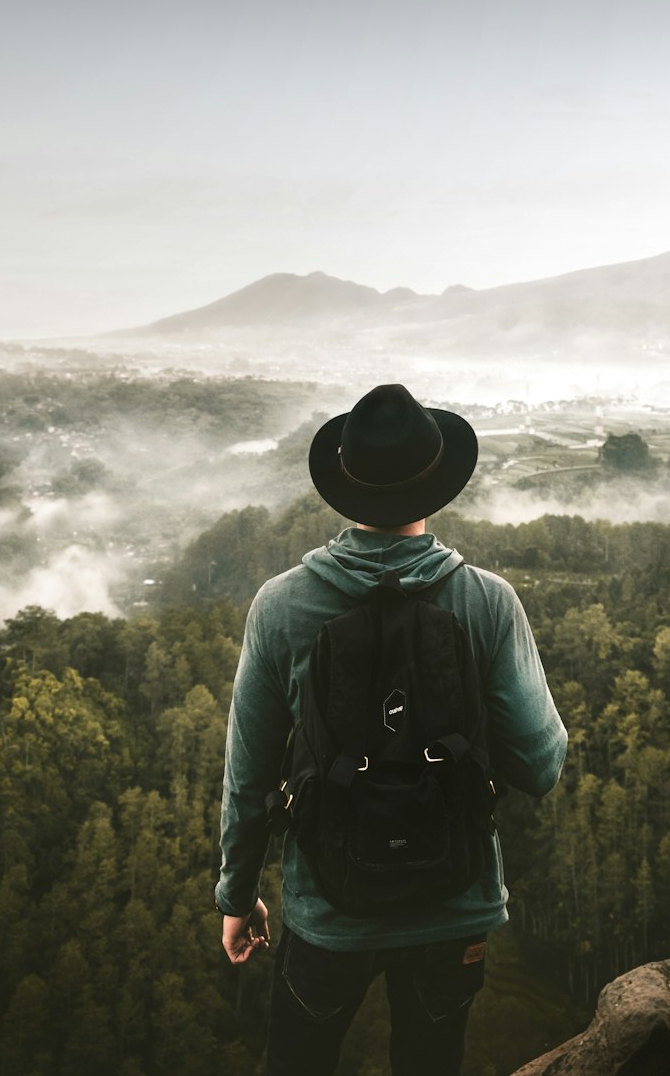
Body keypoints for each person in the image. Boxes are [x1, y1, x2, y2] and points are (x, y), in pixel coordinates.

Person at [216, 383, 567, 1076]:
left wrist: (235, 895)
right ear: (435, 488)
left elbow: (249, 778)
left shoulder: (282, 606)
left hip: (327, 911)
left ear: (343, 490)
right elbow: (540, 764)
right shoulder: (487, 601)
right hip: (456, 906)